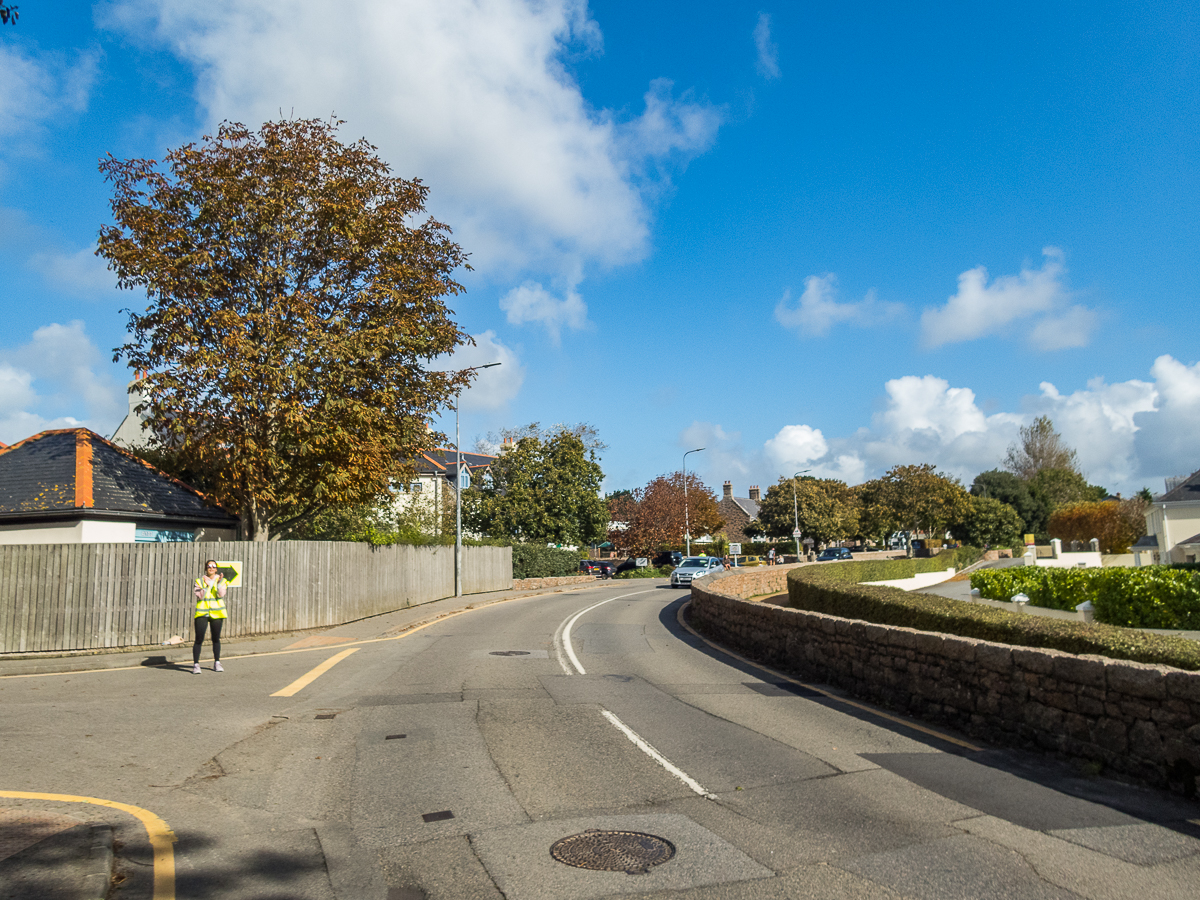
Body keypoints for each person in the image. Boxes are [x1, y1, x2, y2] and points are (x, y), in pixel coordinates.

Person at [192, 559, 228, 674]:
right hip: (202, 613)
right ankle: (196, 664)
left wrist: (217, 584)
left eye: (213, 566)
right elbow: (200, 596)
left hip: (217, 613)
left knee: (216, 639)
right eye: (209, 566)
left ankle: (217, 662)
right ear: (206, 568)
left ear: (216, 569)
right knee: (199, 639)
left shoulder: (222, 580)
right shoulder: (199, 581)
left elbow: (221, 594)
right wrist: (206, 587)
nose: (211, 568)